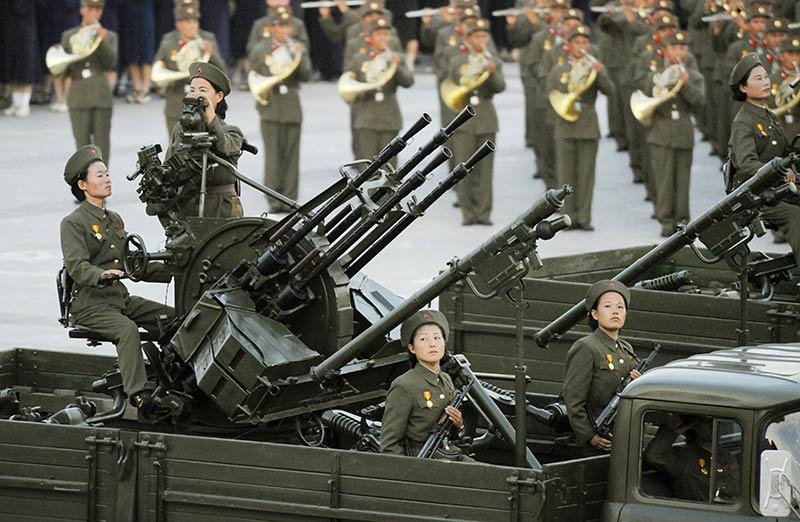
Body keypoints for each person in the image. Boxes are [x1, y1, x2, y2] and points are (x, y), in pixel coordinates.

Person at [59, 145, 174, 410]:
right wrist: (102, 275)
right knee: (127, 330)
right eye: (99, 176)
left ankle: (173, 374)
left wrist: (175, 270)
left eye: (107, 174)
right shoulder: (73, 222)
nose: (107, 179)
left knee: (175, 319)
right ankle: (139, 394)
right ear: (83, 185)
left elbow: (132, 264)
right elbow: (77, 266)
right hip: (90, 305)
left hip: (119, 299)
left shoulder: (114, 219)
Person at [727, 52, 800, 266]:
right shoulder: (743, 122)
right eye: (758, 79)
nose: (766, 82)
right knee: (796, 216)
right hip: (756, 196)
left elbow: (785, 153)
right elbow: (747, 164)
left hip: (777, 190)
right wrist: (779, 171)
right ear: (743, 88)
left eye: (766, 77)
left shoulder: (770, 117)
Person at [546, 24, 614, 231]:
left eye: (585, 42)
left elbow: (610, 90)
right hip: (565, 125)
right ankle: (567, 217)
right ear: (568, 46)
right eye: (577, 42)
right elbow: (550, 95)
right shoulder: (559, 69)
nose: (581, 46)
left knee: (586, 174)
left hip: (588, 124)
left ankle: (584, 217)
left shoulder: (594, 68)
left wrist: (600, 73)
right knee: (565, 174)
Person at [562, 280, 640, 450]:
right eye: (608, 306)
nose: (615, 311)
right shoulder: (586, 347)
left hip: (624, 435)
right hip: (599, 439)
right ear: (595, 314)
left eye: (620, 307)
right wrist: (589, 436)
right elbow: (573, 399)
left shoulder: (626, 348)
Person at [249, 9, 312, 213]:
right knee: (273, 156)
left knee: (291, 156)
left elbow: (306, 75)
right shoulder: (261, 49)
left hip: (291, 106)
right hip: (271, 105)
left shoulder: (296, 48)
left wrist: (300, 55)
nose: (284, 30)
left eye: (286, 26)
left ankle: (290, 198)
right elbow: (255, 73)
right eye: (279, 26)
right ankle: (274, 199)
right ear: (272, 27)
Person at [380, 310, 466, 459]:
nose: (432, 344)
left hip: (448, 454)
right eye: (423, 339)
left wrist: (459, 424)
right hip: (423, 462)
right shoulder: (404, 386)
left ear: (444, 343)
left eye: (437, 337)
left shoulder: (445, 380)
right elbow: (389, 445)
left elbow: (453, 436)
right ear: (412, 348)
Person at [165, 61, 246, 220]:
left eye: (203, 90)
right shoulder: (180, 129)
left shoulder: (232, 131)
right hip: (187, 207)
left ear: (219, 96)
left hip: (222, 209)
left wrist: (210, 116)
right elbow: (169, 163)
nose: (196, 95)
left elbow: (223, 145)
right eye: (192, 90)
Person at [643, 30, 705, 237]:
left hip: (683, 131)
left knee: (682, 180)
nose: (679, 52)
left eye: (683, 48)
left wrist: (685, 83)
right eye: (674, 48)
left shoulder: (694, 76)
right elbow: (646, 95)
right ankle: (665, 220)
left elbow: (699, 101)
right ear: (665, 51)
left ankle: (682, 220)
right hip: (661, 131)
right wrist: (663, 82)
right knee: (664, 180)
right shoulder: (655, 75)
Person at [448, 18, 505, 226]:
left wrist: (492, 73)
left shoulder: (494, 61)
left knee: (485, 170)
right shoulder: (457, 61)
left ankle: (483, 213)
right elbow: (452, 86)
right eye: (477, 36)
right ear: (469, 39)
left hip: (486, 116)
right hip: (464, 117)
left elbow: (500, 87)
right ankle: (467, 212)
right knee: (464, 167)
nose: (481, 40)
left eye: (484, 36)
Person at [346, 17, 414, 166]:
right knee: (367, 166)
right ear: (370, 37)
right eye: (379, 34)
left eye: (386, 34)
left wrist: (397, 66)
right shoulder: (359, 59)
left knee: (389, 165)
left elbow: (408, 82)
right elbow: (349, 84)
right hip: (366, 116)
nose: (383, 38)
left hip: (389, 116)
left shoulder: (396, 57)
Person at [153, 1, 225, 136]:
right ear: (178, 24)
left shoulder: (207, 38)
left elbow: (221, 71)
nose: (192, 26)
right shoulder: (168, 41)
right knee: (176, 144)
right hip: (176, 104)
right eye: (188, 22)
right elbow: (158, 69)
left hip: (203, 106)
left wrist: (211, 54)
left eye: (195, 22)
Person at [61, 0, 118, 165]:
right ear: (82, 10)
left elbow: (110, 63)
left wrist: (102, 40)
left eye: (98, 9)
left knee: (102, 146)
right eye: (90, 8)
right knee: (81, 147)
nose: (94, 13)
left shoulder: (109, 36)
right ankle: (84, 178)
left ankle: (102, 176)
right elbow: (63, 69)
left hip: (101, 93)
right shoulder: (69, 36)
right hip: (78, 93)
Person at [644, 416, 740, 502]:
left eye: (719, 423)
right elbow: (654, 456)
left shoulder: (726, 456)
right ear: (695, 426)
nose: (713, 426)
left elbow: (735, 488)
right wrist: (675, 432)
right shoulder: (683, 455)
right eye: (707, 422)